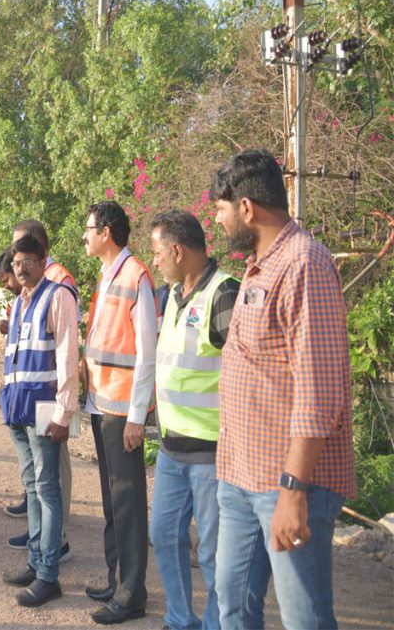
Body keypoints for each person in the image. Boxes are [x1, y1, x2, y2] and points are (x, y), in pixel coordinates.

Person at [210, 150, 355, 629]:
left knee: (304, 619)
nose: (218, 219)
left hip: (289, 484)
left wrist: (293, 491)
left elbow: (320, 391)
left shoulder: (304, 264)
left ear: (247, 208)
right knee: (231, 604)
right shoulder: (260, 266)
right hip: (240, 476)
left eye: (222, 209)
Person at [148, 210, 239, 630]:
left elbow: (248, 373)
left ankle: (216, 625)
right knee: (164, 537)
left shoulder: (224, 295)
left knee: (214, 554)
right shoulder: (171, 296)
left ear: (177, 250)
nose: (155, 262)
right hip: (171, 450)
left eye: (156, 253)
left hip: (211, 455)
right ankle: (180, 620)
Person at [82, 200, 156, 625]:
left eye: (89, 229)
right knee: (112, 500)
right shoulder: (107, 275)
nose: (85, 236)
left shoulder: (135, 276)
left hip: (121, 409)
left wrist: (136, 416)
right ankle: (116, 578)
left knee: (127, 502)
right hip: (101, 403)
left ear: (106, 232)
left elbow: (147, 353)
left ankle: (132, 594)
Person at [0, 233, 79, 607]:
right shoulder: (18, 304)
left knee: (47, 492)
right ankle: (35, 561)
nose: (21, 266)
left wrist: (65, 412)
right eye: (17, 261)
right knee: (32, 488)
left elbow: (66, 356)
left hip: (45, 409)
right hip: (19, 409)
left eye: (28, 259)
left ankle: (49, 574)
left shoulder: (57, 295)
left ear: (43, 259)